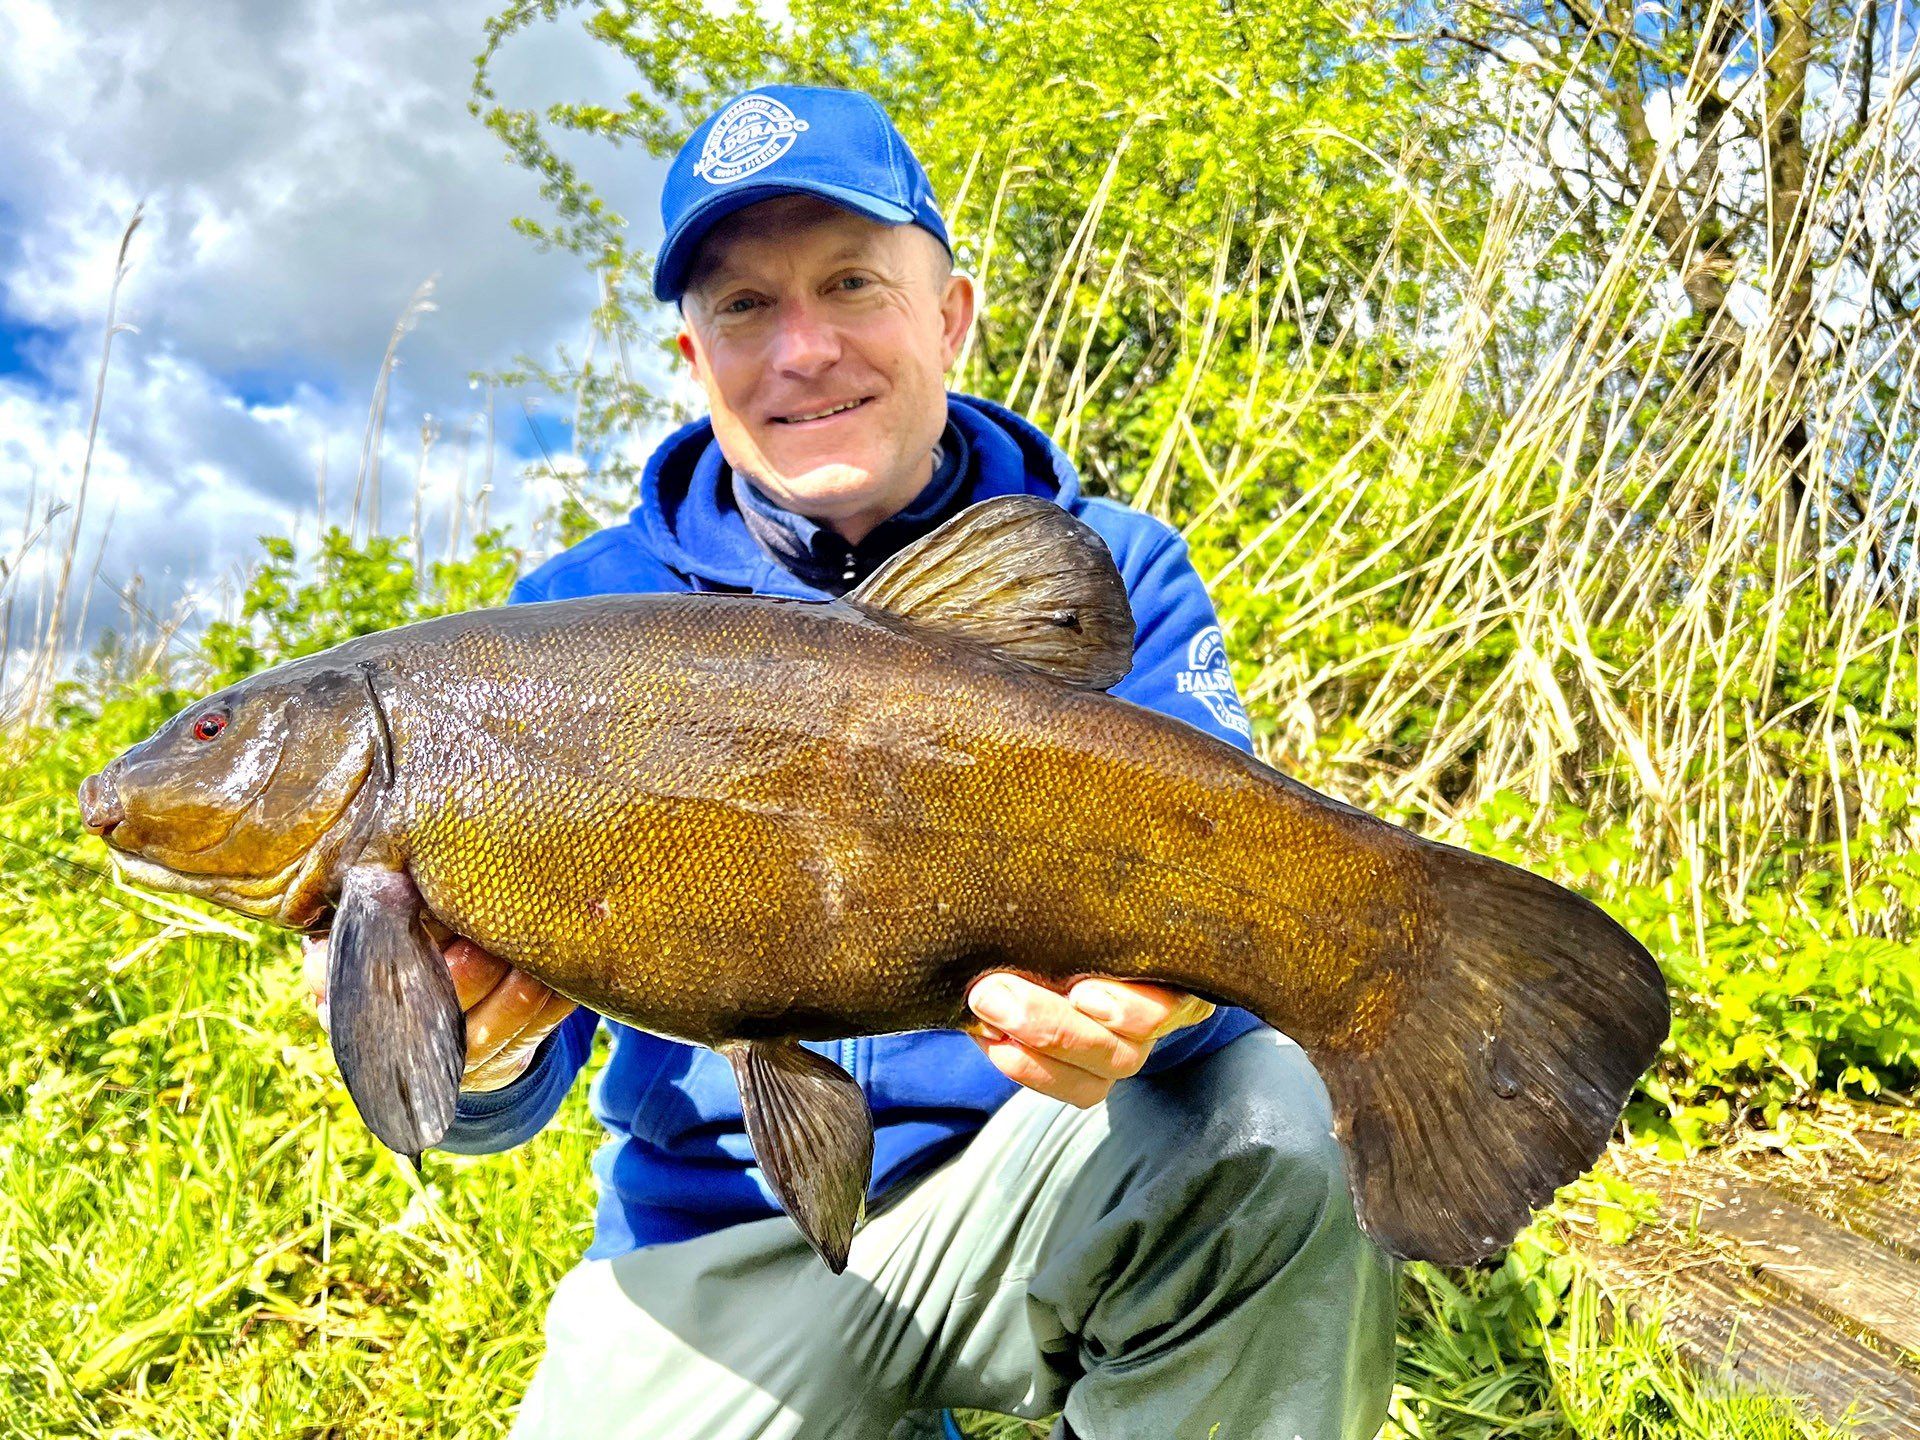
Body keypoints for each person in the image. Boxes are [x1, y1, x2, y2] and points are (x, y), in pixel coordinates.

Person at [306, 84, 1397, 1440]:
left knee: (1276, 1117)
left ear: (950, 317)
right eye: (746, 308)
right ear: (695, 365)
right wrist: (469, 1053)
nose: (805, 349)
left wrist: (1176, 1012)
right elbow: (495, 1107)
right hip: (727, 1228)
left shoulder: (1108, 564)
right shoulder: (558, 624)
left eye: (850, 282)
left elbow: (1240, 908)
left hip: (1047, 1161)